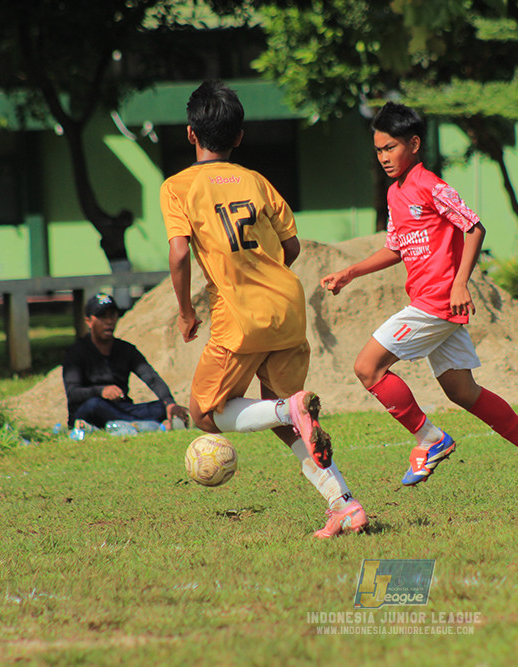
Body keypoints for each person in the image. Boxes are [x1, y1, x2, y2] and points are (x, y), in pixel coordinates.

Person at [320, 102, 518, 494]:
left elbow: (474, 228)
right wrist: (351, 272)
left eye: (391, 148)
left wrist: (459, 283)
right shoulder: (395, 192)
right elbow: (396, 247)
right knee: (462, 392)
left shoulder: (431, 185)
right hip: (431, 301)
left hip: (435, 302)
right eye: (378, 149)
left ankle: (429, 438)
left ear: (414, 144)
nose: (383, 157)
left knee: (368, 367)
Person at [159, 80, 367, 538]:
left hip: (240, 319)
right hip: (289, 308)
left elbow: (178, 254)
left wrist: (185, 313)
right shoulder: (256, 181)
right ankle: (344, 505)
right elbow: (290, 246)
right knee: (290, 426)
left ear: (191, 134)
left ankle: (287, 408)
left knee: (203, 413)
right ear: (239, 136)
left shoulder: (177, 187)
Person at [62, 293, 191, 431]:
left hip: (120, 408)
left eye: (112, 315)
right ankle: (143, 425)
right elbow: (73, 392)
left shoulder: (125, 349)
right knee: (95, 405)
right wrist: (101, 391)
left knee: (161, 407)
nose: (109, 321)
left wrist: (169, 403)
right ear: (88, 321)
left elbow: (151, 377)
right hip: (90, 409)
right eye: (102, 316)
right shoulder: (76, 352)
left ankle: (131, 425)